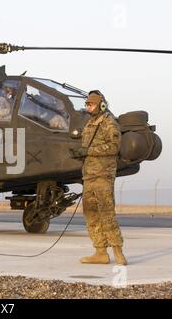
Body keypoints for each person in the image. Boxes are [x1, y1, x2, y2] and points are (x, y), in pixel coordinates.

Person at [70, 91, 127, 265]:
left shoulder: (109, 122)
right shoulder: (90, 124)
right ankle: (100, 252)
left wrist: (89, 151)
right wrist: (81, 154)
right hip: (89, 176)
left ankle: (118, 252)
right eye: (87, 104)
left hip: (103, 175)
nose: (87, 107)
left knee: (107, 213)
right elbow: (89, 147)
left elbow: (113, 147)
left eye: (91, 104)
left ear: (101, 105)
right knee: (91, 214)